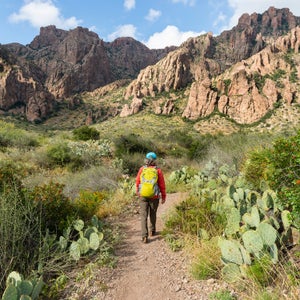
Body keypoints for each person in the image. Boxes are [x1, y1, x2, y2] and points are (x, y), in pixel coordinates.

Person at [136, 152, 166, 243]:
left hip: (143, 195)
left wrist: (138, 191)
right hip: (154, 196)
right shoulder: (158, 170)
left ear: (146, 159)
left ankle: (144, 236)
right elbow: (162, 185)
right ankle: (152, 231)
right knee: (152, 214)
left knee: (143, 215)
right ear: (155, 160)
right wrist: (163, 196)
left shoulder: (142, 169)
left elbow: (137, 181)